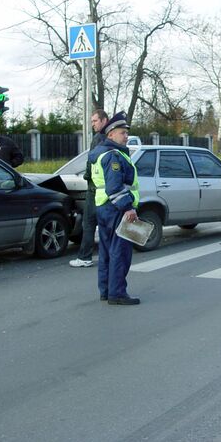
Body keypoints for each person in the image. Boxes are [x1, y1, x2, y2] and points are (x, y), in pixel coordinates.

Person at [89, 111, 140, 305]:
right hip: (116, 209)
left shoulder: (101, 153)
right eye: (122, 133)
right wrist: (128, 208)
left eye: (126, 133)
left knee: (107, 251)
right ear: (110, 134)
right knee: (120, 252)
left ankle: (106, 290)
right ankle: (117, 293)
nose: (126, 136)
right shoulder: (112, 156)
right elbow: (114, 186)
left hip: (104, 207)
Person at [69, 109, 109, 268]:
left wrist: (87, 176)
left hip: (95, 188)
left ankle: (85, 256)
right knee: (105, 223)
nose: (92, 124)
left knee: (89, 222)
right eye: (92, 121)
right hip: (105, 188)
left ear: (104, 120)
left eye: (95, 121)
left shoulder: (99, 138)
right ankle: (109, 255)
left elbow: (92, 161)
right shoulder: (111, 136)